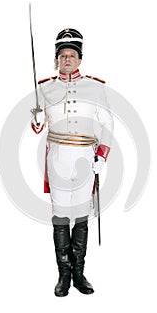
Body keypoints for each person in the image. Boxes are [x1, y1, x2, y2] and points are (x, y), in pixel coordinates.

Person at [31, 28, 113, 297]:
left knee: (80, 217)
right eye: (62, 55)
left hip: (85, 161)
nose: (67, 59)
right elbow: (38, 123)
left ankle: (79, 274)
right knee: (60, 217)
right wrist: (36, 118)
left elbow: (107, 124)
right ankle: (63, 276)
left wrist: (101, 156)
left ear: (79, 59)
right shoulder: (44, 87)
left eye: (72, 55)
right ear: (57, 60)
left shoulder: (96, 87)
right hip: (57, 161)